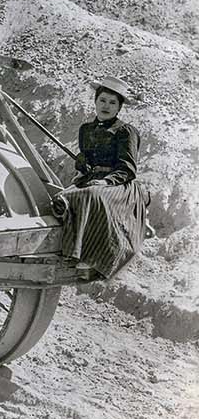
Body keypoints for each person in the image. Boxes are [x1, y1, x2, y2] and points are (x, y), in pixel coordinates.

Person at [51, 76, 147, 279]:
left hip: (119, 184)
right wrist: (82, 168)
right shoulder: (85, 129)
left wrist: (105, 181)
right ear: (95, 101)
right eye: (103, 100)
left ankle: (88, 259)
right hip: (93, 180)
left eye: (113, 103)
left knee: (90, 196)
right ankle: (63, 251)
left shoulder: (125, 131)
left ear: (119, 108)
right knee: (62, 199)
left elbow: (128, 168)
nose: (106, 106)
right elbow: (84, 161)